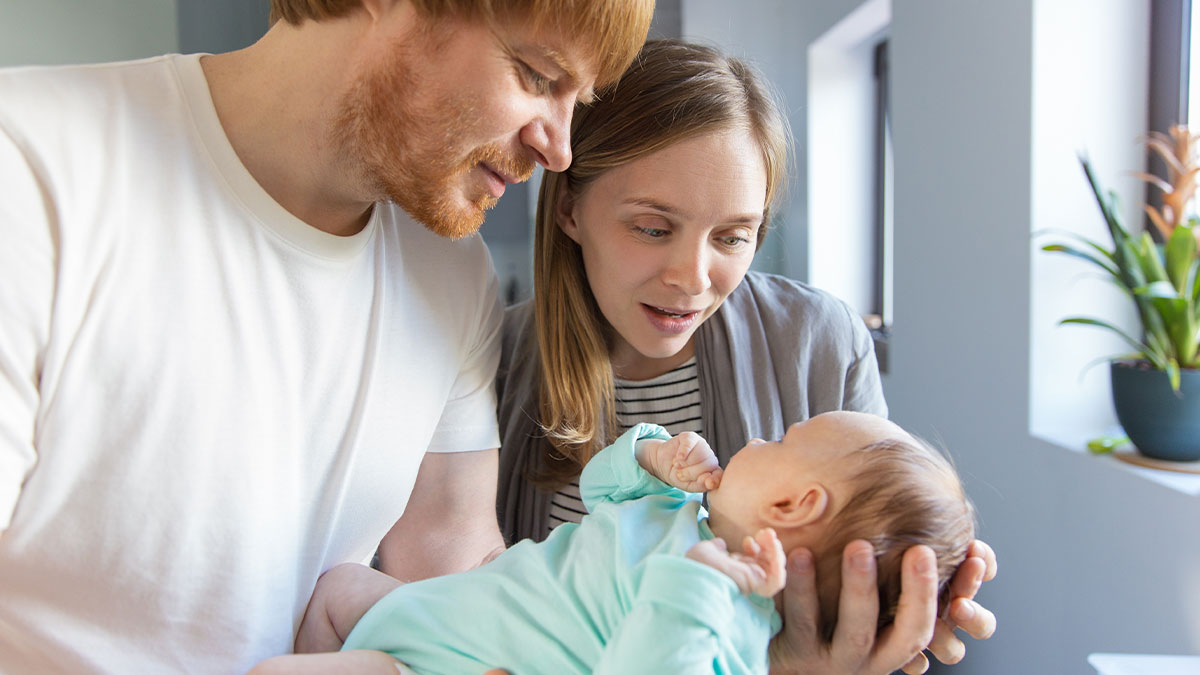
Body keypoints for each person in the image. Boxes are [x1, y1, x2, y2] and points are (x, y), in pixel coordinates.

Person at [0, 0, 653, 672]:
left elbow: (454, 575)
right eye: (538, 76)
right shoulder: (28, 171)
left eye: (582, 98)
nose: (560, 147)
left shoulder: (449, 274)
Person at [494, 39, 998, 674]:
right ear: (568, 208)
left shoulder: (821, 343)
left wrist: (907, 599)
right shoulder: (491, 361)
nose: (693, 277)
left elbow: (870, 537)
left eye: (733, 237)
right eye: (652, 228)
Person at [250, 411, 975, 674]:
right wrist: (648, 457)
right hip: (433, 611)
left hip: (445, 664)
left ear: (792, 503)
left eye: (782, 439)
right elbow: (599, 496)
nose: (757, 438)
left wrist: (698, 582)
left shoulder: (727, 627)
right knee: (337, 586)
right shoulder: (685, 513)